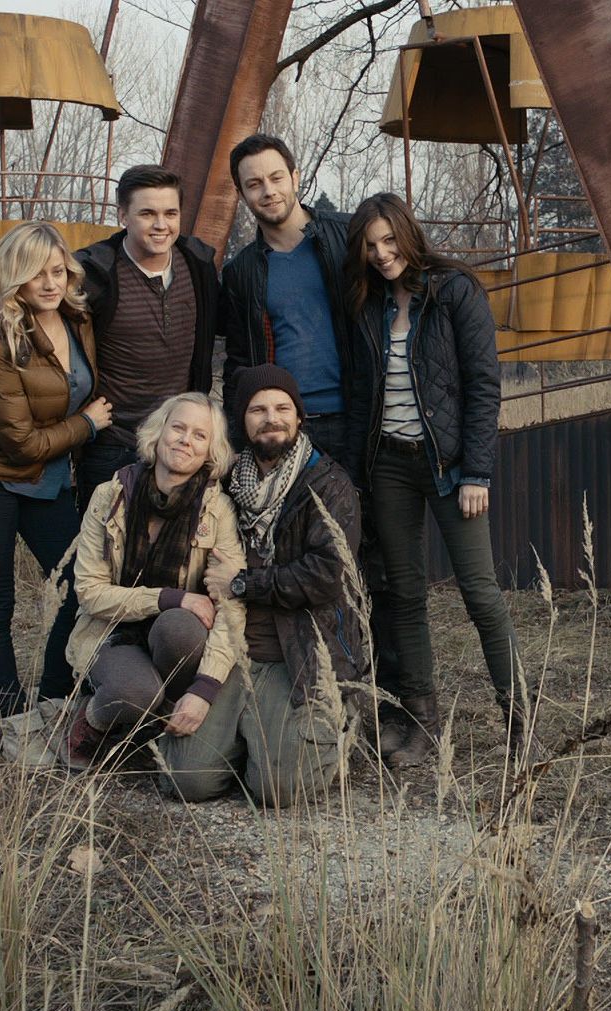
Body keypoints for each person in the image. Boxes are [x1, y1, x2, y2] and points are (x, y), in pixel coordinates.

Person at [219, 133, 402, 745]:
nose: (268, 191)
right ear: (242, 194)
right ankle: (322, 701)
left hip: (354, 418)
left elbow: (405, 278)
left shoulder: (342, 236)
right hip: (286, 433)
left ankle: (385, 704)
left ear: (295, 175)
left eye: (276, 177)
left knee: (366, 563)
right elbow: (241, 359)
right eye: (253, 184)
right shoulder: (244, 271)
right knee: (307, 562)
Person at [344, 192, 522, 767]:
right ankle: (424, 728)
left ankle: (521, 724)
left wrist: (477, 471)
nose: (381, 254)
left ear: (407, 233)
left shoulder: (454, 291)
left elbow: (482, 386)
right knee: (404, 596)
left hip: (448, 468)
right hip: (389, 464)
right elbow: (362, 395)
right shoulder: (368, 302)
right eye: (371, 246)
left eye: (389, 241)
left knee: (480, 594)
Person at [145, 365, 368, 806]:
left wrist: (245, 583)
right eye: (258, 409)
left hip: (298, 653)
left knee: (278, 789)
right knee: (185, 780)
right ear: (241, 421)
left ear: (299, 417)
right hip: (230, 648)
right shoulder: (224, 482)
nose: (273, 418)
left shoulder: (327, 484)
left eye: (283, 408)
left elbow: (328, 574)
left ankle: (330, 726)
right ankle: (243, 737)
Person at [0, 220, 113, 765]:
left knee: (78, 586)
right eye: (37, 272)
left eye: (58, 270)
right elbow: (18, 443)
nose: (50, 282)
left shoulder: (78, 319)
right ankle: (13, 716)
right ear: (14, 277)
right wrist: (88, 425)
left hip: (47, 483)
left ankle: (51, 702)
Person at [63, 392, 244, 774]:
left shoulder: (218, 510)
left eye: (199, 435)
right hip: (112, 632)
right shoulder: (110, 497)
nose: (185, 440)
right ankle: (94, 719)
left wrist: (205, 688)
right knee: (136, 693)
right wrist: (170, 597)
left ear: (211, 451)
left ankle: (155, 727)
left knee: (181, 628)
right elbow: (90, 592)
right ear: (158, 434)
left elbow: (231, 604)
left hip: (173, 637)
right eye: (178, 427)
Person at [73, 164, 221, 513]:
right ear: (123, 214)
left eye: (170, 213)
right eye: (147, 213)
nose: (161, 225)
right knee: (104, 555)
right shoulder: (96, 271)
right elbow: (30, 300)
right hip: (113, 442)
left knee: (172, 557)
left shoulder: (196, 264)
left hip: (178, 443)